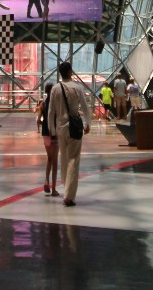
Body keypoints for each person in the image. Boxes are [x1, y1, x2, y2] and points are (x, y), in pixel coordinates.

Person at [46, 60, 91, 206]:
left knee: (64, 158)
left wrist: (52, 129)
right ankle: (69, 196)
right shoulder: (77, 88)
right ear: (70, 72)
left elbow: (51, 111)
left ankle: (66, 187)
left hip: (60, 128)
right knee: (73, 159)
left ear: (60, 73)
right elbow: (85, 108)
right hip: (74, 127)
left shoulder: (55, 89)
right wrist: (87, 123)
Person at [38, 81, 59, 195]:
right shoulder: (55, 104)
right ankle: (54, 188)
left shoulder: (43, 104)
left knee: (49, 158)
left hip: (45, 133)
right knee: (55, 161)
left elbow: (38, 120)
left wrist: (43, 124)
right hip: (55, 133)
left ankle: (46, 180)